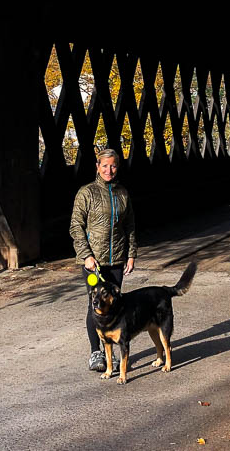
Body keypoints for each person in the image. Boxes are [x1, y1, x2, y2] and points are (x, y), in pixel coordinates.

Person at [69, 147, 137, 373]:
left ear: (118, 167)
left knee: (115, 305)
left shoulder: (123, 193)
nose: (109, 170)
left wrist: (131, 253)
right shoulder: (86, 193)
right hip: (93, 263)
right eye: (105, 165)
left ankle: (113, 352)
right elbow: (75, 227)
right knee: (96, 304)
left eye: (113, 165)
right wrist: (86, 255)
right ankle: (96, 352)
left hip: (116, 259)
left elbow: (130, 226)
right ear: (97, 166)